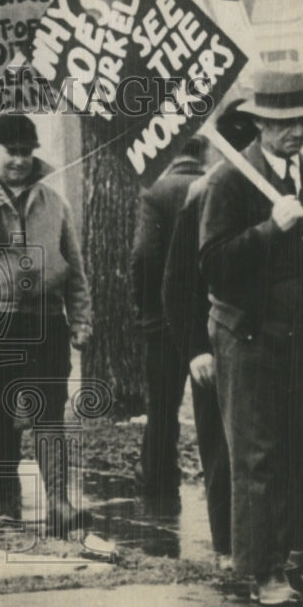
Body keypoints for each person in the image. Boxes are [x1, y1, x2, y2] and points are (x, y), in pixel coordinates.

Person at [199, 67, 303, 607]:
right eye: (281, 123)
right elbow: (213, 265)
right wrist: (267, 230)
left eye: (300, 120)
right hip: (247, 336)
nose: (294, 132)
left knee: (299, 448)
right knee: (255, 457)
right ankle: (260, 572)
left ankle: (288, 551)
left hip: (300, 340)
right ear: (258, 124)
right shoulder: (228, 180)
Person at [0, 114, 92, 531]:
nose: (20, 160)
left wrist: (80, 318)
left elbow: (75, 267)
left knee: (49, 413)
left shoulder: (53, 201)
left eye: (27, 152)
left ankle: (58, 502)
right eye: (12, 151)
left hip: (44, 322)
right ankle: (6, 503)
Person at [162, 101, 256, 567]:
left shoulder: (287, 190)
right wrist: (196, 349)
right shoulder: (203, 194)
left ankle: (269, 543)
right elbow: (179, 282)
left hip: (268, 342)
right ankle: (226, 544)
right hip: (217, 343)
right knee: (220, 448)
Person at [132, 136, 209, 512]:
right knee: (211, 410)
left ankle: (158, 483)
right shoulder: (215, 187)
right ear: (203, 154)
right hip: (208, 319)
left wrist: (147, 308)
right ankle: (219, 490)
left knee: (162, 407)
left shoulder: (156, 193)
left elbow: (144, 255)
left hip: (162, 321)